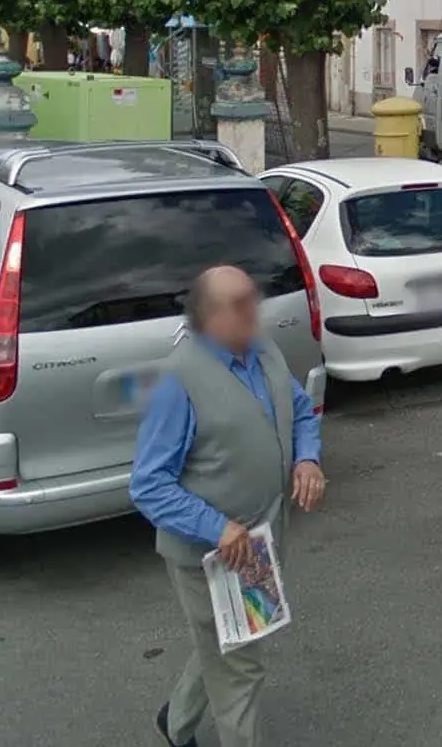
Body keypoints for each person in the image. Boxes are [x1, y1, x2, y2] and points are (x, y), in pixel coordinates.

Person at [131, 265, 326, 747]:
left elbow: (301, 411)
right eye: (238, 304)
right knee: (241, 671)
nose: (252, 310)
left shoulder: (264, 351)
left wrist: (307, 458)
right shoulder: (177, 381)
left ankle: (175, 723)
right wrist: (217, 527)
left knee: (229, 644)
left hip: (260, 545)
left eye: (251, 298)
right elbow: (148, 484)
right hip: (215, 556)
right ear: (208, 316)